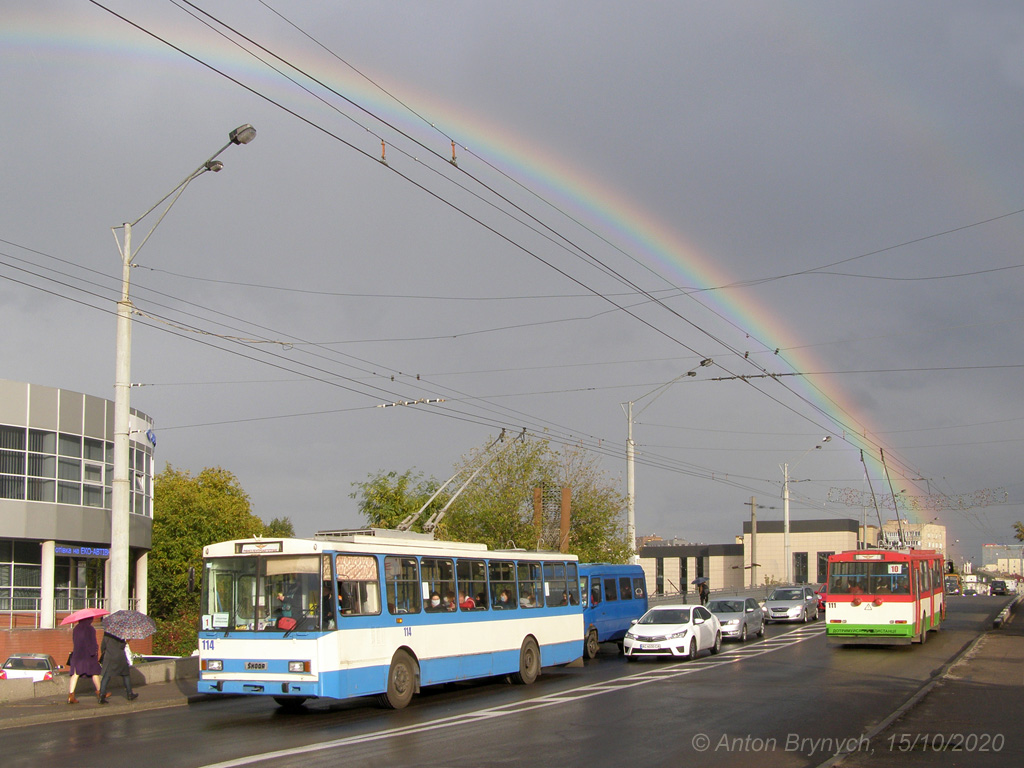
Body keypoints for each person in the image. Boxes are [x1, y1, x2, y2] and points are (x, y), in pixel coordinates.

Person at [67, 616, 102, 705]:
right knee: (94, 673)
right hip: (88, 656)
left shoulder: (76, 629)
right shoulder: (90, 629)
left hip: (77, 655)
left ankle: (71, 695)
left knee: (75, 674)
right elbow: (92, 643)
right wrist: (94, 651)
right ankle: (100, 693)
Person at [98, 632, 136, 703]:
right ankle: (130, 694)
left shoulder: (106, 633)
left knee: (106, 676)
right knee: (126, 675)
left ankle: (101, 696)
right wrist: (126, 641)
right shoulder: (120, 633)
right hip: (120, 657)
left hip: (109, 657)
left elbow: (103, 646)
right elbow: (121, 646)